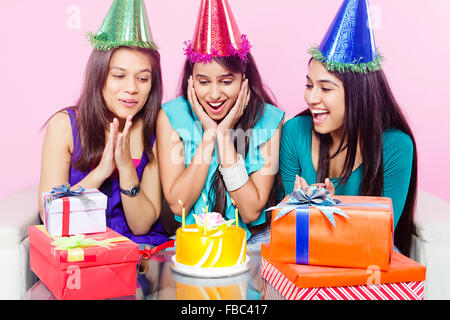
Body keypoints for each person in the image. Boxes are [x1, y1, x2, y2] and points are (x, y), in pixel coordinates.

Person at [279, 0, 417, 255]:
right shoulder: (294, 132)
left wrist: (328, 208)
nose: (311, 98)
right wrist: (305, 213)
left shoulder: (396, 146)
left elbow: (378, 237)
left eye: (326, 88)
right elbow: (288, 234)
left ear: (357, 94)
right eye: (309, 85)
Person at [39, 0, 168, 246]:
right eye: (118, 76)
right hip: (80, 249)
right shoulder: (65, 126)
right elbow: (50, 214)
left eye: (143, 78)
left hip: (137, 251)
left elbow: (141, 227)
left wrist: (127, 168)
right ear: (100, 75)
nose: (131, 89)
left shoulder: (154, 127)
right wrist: (101, 172)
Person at [156, 0, 285, 245]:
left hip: (253, 242)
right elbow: (178, 203)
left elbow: (249, 211)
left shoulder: (269, 120)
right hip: (192, 242)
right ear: (191, 81)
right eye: (204, 82)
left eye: (226, 82)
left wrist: (224, 136)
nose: (214, 95)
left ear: (243, 80)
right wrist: (208, 136)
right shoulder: (172, 116)